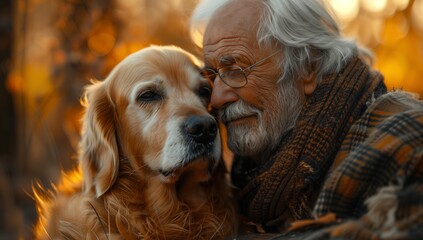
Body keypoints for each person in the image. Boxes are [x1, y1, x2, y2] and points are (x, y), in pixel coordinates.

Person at [190, 0, 423, 238]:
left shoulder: (409, 142)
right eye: (212, 75)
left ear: (307, 67)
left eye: (236, 70)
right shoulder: (242, 180)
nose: (216, 99)